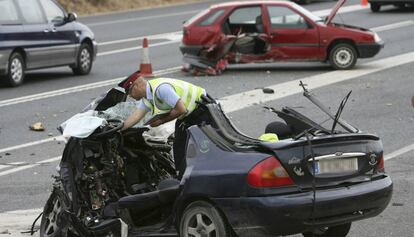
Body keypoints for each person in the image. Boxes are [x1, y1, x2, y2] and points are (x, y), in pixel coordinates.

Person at [122, 77, 210, 178]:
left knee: (205, 147)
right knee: (179, 147)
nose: (129, 96)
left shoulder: (161, 88)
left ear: (136, 86)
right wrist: (120, 129)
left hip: (203, 109)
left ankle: (204, 175)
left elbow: (181, 109)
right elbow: (136, 116)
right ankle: (182, 178)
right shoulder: (147, 96)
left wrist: (160, 121)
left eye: (129, 92)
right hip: (189, 115)